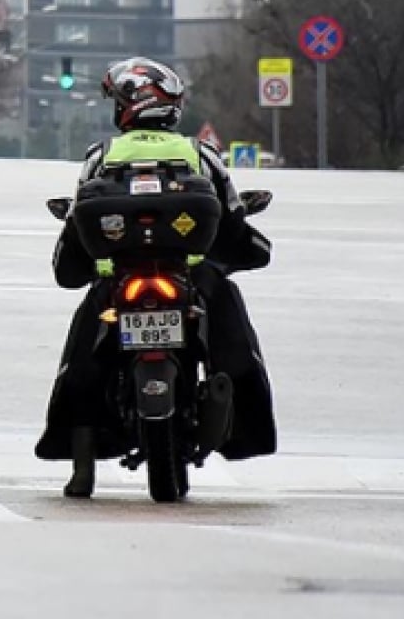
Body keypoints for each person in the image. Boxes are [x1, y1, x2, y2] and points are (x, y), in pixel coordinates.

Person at [35, 57, 276, 498]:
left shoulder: (101, 156)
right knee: (233, 336)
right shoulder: (199, 153)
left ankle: (81, 465)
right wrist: (251, 248)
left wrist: (75, 265)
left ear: (127, 105)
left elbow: (75, 229)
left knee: (82, 355)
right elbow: (233, 216)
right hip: (191, 277)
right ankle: (243, 426)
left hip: (116, 280)